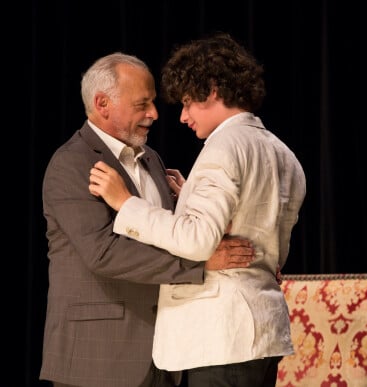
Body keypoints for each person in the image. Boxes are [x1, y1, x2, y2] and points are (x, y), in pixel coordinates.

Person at [89, 33, 307, 387]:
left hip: (223, 337)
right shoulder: (284, 154)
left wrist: (125, 203)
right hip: (264, 331)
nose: (183, 116)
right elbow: (268, 241)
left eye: (188, 102)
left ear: (214, 89)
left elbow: (197, 241)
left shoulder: (223, 147)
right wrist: (192, 193)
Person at [40, 52, 256, 387]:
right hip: (98, 359)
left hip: (164, 354)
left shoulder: (152, 159)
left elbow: (166, 232)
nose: (154, 114)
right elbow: (103, 253)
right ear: (102, 103)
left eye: (153, 103)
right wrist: (200, 265)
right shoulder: (71, 163)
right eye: (143, 104)